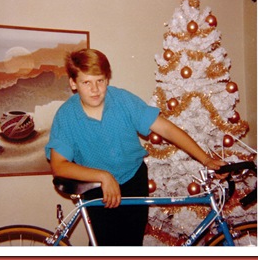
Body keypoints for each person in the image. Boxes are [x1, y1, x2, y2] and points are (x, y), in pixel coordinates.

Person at [45, 48, 225, 246]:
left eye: (100, 81)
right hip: (96, 186)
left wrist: (206, 159)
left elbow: (167, 129)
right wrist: (103, 176)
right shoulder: (66, 116)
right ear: (73, 83)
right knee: (104, 245)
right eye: (86, 82)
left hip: (133, 180)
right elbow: (59, 165)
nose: (95, 89)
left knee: (131, 245)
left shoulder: (123, 100)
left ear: (107, 79)